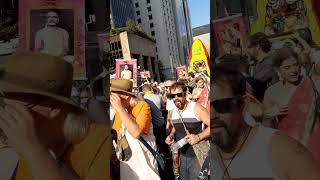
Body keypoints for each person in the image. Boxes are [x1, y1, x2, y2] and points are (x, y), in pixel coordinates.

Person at [0, 52, 110, 180]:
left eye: (15, 112)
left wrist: (34, 152)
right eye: (3, 107)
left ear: (52, 108)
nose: (5, 119)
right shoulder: (29, 149)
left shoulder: (101, 142)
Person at [211, 66, 320, 180]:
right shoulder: (202, 156)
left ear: (242, 104)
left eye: (222, 106)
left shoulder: (282, 151)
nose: (212, 116)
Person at [110, 78, 160, 180]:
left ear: (126, 95)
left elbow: (136, 133)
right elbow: (118, 136)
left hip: (144, 162)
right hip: (128, 163)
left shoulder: (142, 106)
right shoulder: (119, 112)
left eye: (113, 95)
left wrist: (120, 109)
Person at [165, 82, 210, 180]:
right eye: (173, 96)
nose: (176, 98)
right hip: (183, 156)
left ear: (185, 94)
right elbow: (175, 128)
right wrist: (171, 136)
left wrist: (198, 137)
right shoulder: (172, 113)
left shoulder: (196, 108)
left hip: (198, 156)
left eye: (179, 95)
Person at [263, 48, 303, 128]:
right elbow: (267, 126)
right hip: (289, 137)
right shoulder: (271, 92)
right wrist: (269, 117)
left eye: (295, 65)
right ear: (277, 70)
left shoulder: (309, 82)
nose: (294, 70)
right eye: (287, 67)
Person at [246, 32, 278, 101]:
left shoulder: (269, 62)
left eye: (249, 47)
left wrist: (242, 75)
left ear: (257, 47)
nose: (247, 50)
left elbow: (255, 82)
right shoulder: (255, 63)